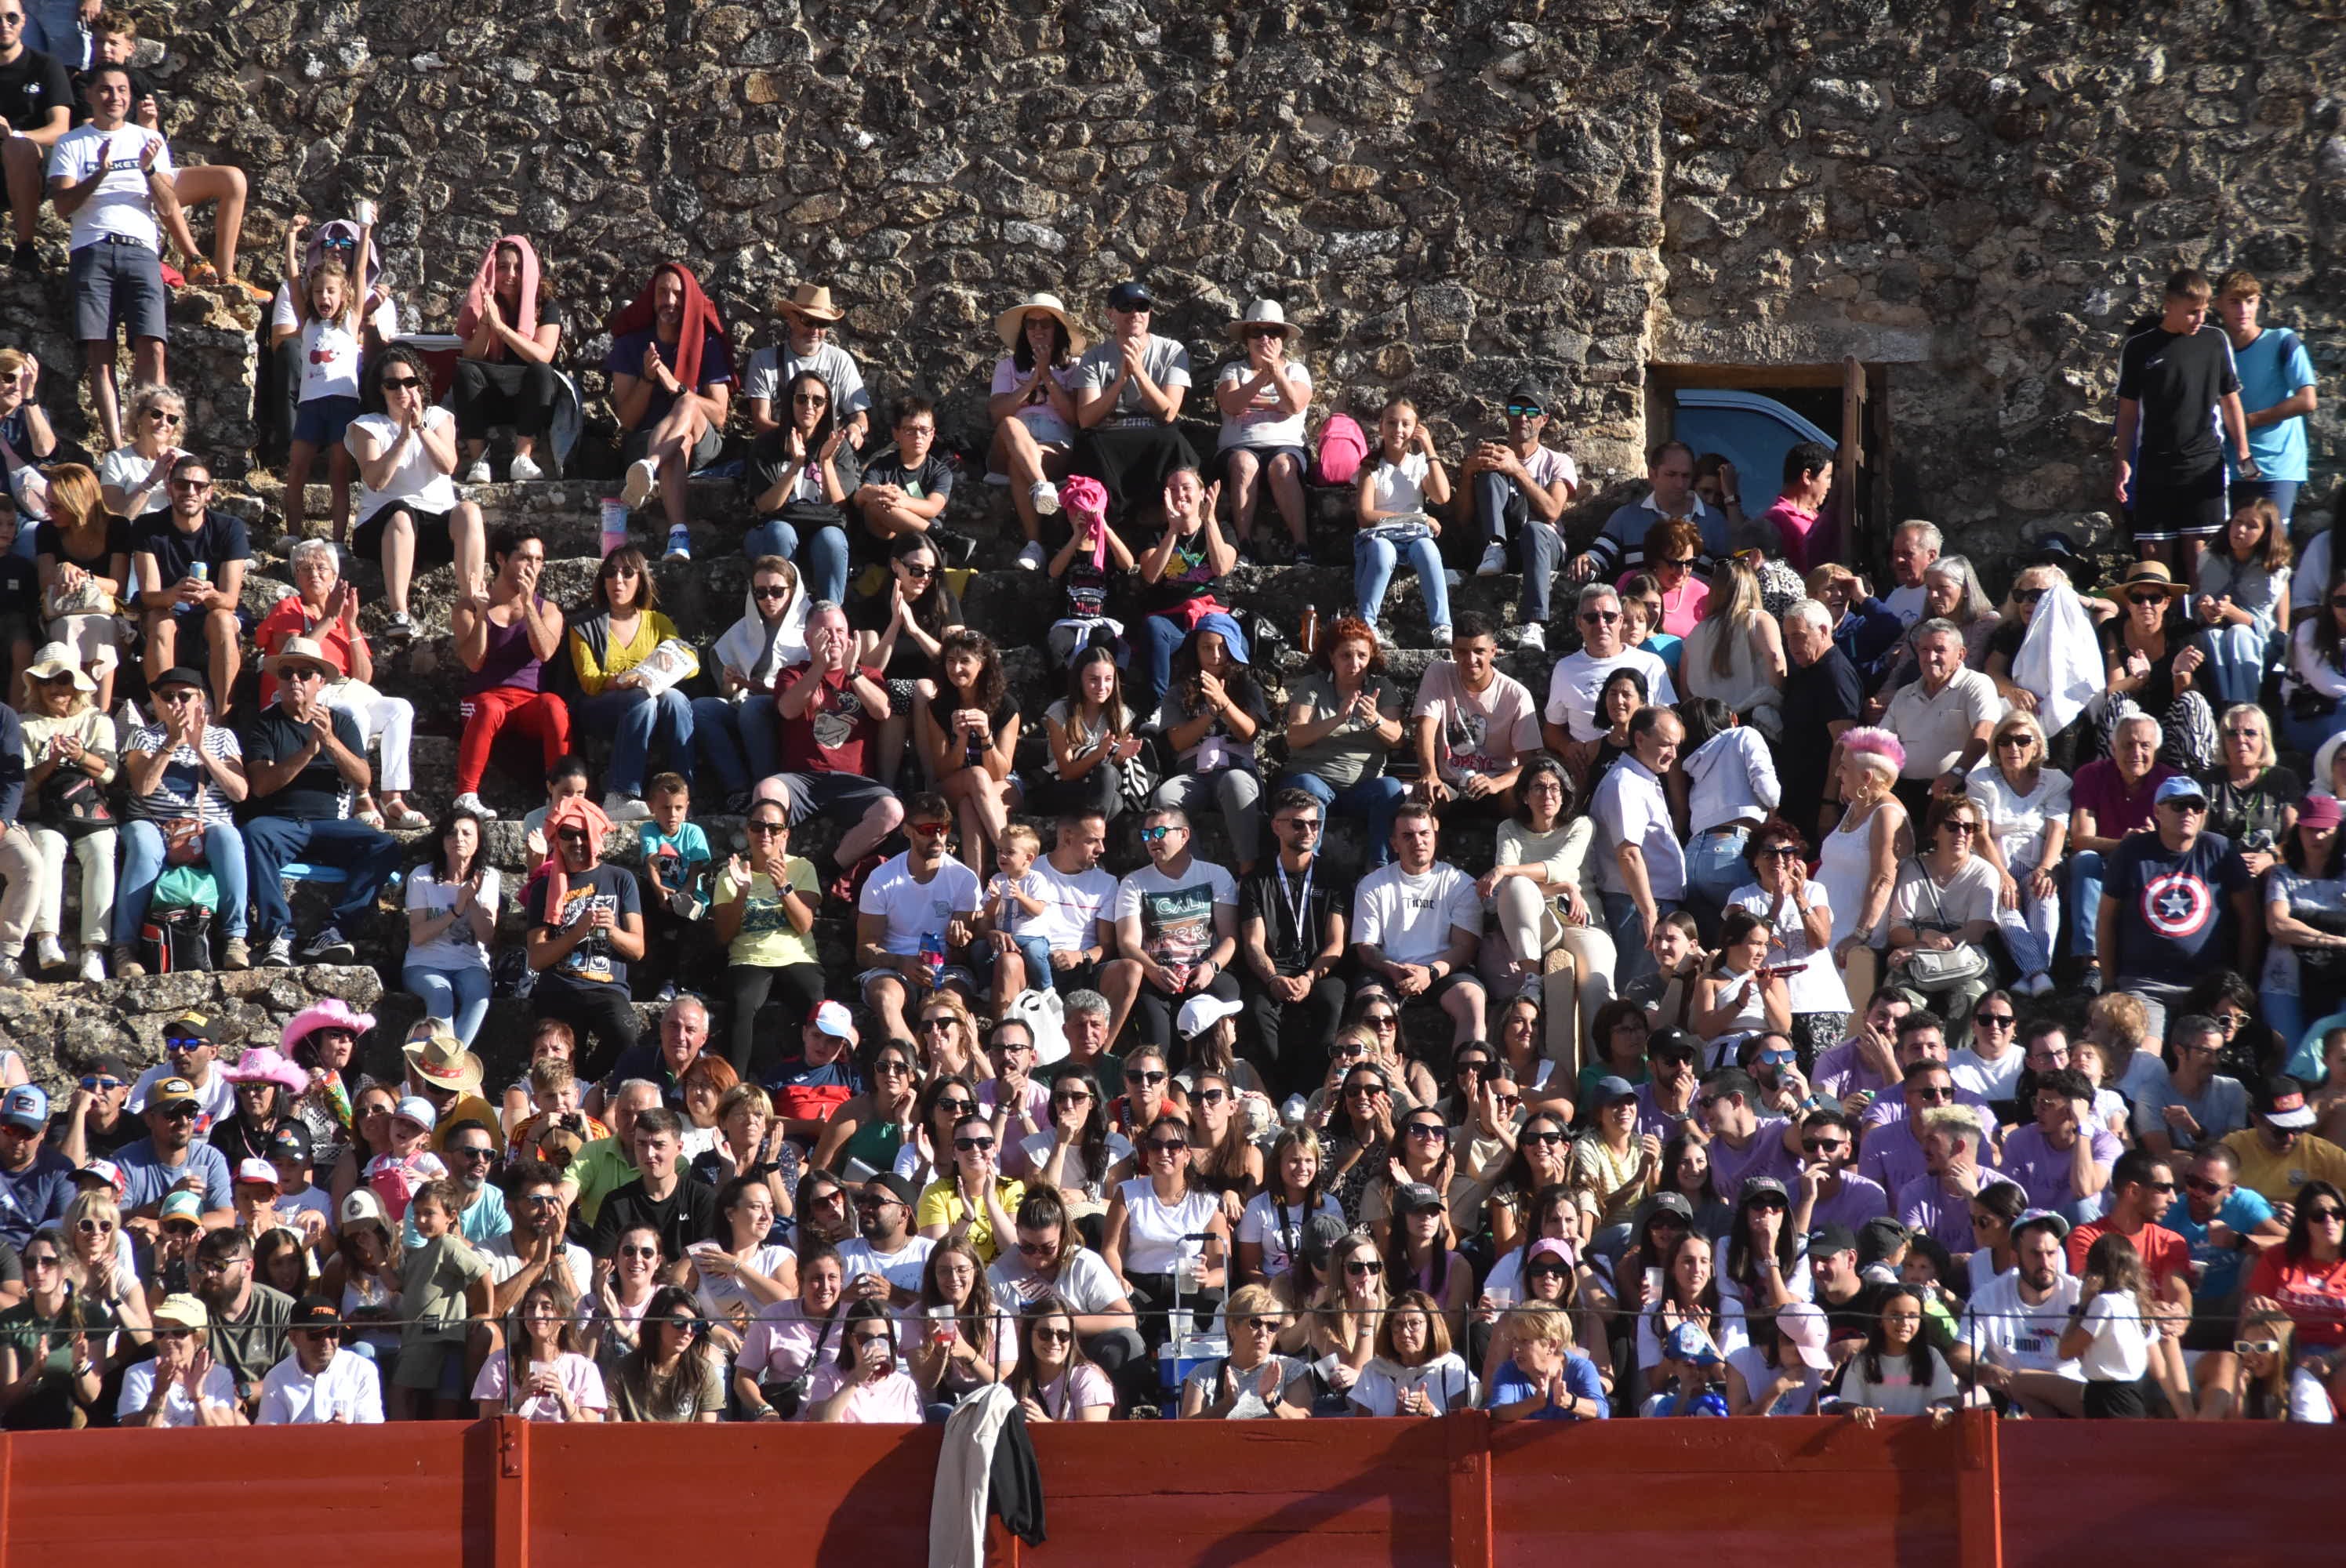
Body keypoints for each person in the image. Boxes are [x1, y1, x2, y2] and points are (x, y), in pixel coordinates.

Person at [238, 634, 401, 967]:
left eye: (304, 673)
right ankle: (277, 935)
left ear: (320, 682)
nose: (295, 680)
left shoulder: (339, 722)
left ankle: (334, 930)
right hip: (282, 824)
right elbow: (261, 786)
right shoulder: (264, 725)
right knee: (255, 832)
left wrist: (328, 741)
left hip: (331, 826)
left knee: (386, 846)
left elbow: (363, 779)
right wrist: (309, 751)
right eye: (287, 674)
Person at [45, 64, 176, 449]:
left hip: (140, 249)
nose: (115, 97)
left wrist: (149, 169)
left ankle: (148, 439)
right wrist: (99, 174)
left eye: (122, 89)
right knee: (100, 352)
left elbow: (169, 207)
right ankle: (118, 444)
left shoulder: (148, 139)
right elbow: (63, 206)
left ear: (130, 96)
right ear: (90, 95)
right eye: (105, 89)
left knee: (153, 346)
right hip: (92, 249)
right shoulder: (72, 143)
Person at [108, 665, 248, 975]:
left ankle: (235, 939)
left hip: (207, 824)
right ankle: (123, 948)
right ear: (156, 701)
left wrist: (201, 750)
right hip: (154, 822)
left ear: (201, 700)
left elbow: (239, 792)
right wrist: (171, 742)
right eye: (167, 696)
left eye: (185, 696)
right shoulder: (142, 736)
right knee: (143, 846)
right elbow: (143, 787)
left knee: (229, 839)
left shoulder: (223, 737)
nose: (176, 703)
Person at [2096, 775, 2256, 1040]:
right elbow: (2106, 919)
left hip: (2207, 986)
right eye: (2179, 805)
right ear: (2157, 811)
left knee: (2205, 1051)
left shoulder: (2220, 850)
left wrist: (2243, 980)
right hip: (2143, 984)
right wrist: (2110, 983)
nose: (2189, 813)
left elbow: (2249, 918)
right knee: (2146, 1058)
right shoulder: (2131, 852)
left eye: (2197, 807)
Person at [2115, 268, 2253, 572]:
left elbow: (2230, 400)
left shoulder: (2215, 341)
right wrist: (2123, 461)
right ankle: (2164, 618)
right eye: (2192, 312)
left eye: (2203, 311)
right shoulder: (2139, 347)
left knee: (2200, 554)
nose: (2200, 319)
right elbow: (2127, 413)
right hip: (2154, 463)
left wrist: (2243, 450)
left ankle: (2200, 618)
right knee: (2154, 555)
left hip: (2203, 461)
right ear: (2169, 305)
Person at [606, 261, 732, 563]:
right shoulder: (631, 345)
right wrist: (649, 379)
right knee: (679, 444)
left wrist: (678, 387)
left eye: (677, 294)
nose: (670, 301)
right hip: (648, 437)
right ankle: (679, 535)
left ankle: (648, 468)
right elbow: (627, 420)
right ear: (653, 297)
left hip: (704, 438)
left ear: (688, 300)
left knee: (687, 403)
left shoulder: (708, 344)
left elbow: (719, 415)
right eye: (663, 292)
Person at [772, 599, 905, 882]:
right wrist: (819, 666)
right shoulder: (792, 674)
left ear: (850, 636)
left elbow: (882, 711)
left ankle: (825, 872)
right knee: (768, 792)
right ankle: (772, 872)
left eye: (839, 631)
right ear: (808, 638)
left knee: (892, 810)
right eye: (825, 632)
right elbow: (788, 709)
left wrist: (853, 671)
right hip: (803, 779)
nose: (833, 638)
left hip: (853, 782)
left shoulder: (868, 675)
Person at [566, 545, 695, 822]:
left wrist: (672, 659)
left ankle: (683, 795)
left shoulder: (657, 622)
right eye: (610, 573)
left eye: (627, 572)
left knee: (675, 699)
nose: (618, 580)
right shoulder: (584, 625)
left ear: (641, 580)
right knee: (642, 699)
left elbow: (690, 659)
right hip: (600, 708)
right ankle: (620, 795)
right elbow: (589, 681)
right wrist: (623, 682)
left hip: (648, 705)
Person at [449, 524, 568, 821]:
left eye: (539, 560)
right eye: (525, 558)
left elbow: (545, 653)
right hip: (484, 700)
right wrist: (480, 615)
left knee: (554, 704)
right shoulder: (467, 607)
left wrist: (528, 605)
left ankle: (561, 795)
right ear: (501, 559)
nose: (533, 567)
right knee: (489, 706)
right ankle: (466, 796)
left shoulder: (548, 610)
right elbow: (474, 662)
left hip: (528, 703)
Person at [525, 794, 646, 1083]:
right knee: (556, 1050)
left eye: (584, 834)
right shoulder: (544, 888)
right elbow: (537, 957)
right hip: (559, 987)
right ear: (557, 839)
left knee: (627, 1032)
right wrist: (577, 932)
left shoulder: (621, 879)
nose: (578, 843)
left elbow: (638, 949)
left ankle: (585, 1084)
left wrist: (613, 931)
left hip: (607, 988)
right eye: (568, 835)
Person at [1235, 789, 1347, 1099]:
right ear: (1277, 827)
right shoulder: (1257, 880)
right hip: (1273, 969)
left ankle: (1312, 1094)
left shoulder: (1333, 876)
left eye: (1315, 824)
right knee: (1258, 1009)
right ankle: (1278, 1095)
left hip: (1316, 969)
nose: (1309, 831)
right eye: (1298, 824)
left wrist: (1310, 977)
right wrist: (1272, 978)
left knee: (1332, 1001)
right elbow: (1253, 943)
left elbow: (1336, 944)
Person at [1352, 801, 1487, 1049]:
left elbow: (1464, 947)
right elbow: (1365, 946)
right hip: (1389, 970)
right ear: (1394, 844)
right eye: (1408, 835)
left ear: (1435, 836)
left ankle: (1471, 1074)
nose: (1418, 841)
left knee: (1473, 1000)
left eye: (1424, 833)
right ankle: (1375, 1079)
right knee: (1370, 1007)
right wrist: (1391, 968)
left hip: (1445, 970)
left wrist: (1430, 972)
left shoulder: (1461, 884)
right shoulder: (1372, 885)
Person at [854, 790, 982, 1046]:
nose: (937, 837)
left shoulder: (964, 879)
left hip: (946, 968)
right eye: (927, 829)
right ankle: (907, 1065)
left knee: (948, 1006)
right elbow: (864, 951)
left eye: (943, 828)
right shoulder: (882, 879)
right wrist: (901, 962)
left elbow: (961, 956)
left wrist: (958, 943)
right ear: (908, 831)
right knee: (886, 998)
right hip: (893, 966)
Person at [1274, 616, 1406, 862]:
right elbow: (1295, 736)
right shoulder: (1312, 685)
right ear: (1331, 656)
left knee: (1390, 789)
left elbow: (1398, 739)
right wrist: (1338, 719)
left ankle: (1379, 868)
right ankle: (1308, 866)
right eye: (1346, 656)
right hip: (1315, 781)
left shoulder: (1382, 687)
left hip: (1362, 789)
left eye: (1362, 656)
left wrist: (1374, 719)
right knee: (1307, 786)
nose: (1355, 664)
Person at [1463, 381, 1578, 649]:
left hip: (1544, 546)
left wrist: (1516, 470)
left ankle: (1534, 625)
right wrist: (1469, 473)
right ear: (1506, 414)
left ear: (1544, 419)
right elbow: (1463, 520)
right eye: (1515, 409)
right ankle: (1495, 546)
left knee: (1535, 530)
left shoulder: (1558, 461)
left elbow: (1551, 510)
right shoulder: (1493, 455)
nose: (1523, 417)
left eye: (1531, 412)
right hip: (1507, 550)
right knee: (1491, 473)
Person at [1151, 618, 1266, 877]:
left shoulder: (1248, 686)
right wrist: (1209, 715)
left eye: (1222, 648)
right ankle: (1198, 872)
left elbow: (1249, 733)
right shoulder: (1178, 690)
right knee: (1164, 799)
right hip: (1193, 774)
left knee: (1235, 783)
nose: (1215, 656)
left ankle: (1248, 872)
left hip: (1236, 768)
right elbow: (1178, 741)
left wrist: (1224, 704)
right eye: (1207, 648)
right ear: (1195, 650)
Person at [1073, 279, 1194, 523]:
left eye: (1142, 306)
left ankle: (1169, 521)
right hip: (1111, 435)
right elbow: (1086, 418)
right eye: (1125, 307)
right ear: (1110, 314)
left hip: (1154, 432)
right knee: (1089, 445)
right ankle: (1107, 520)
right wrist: (1120, 381)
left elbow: (1169, 413)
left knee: (1175, 442)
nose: (1135, 314)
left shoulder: (1172, 351)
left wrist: (1138, 372)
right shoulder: (1094, 357)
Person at [131, 455, 245, 715]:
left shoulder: (230, 528)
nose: (190, 492)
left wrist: (210, 593)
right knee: (161, 620)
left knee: (223, 620)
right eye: (182, 485)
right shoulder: (147, 527)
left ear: (209, 493)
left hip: (210, 615)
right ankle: (165, 716)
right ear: (170, 488)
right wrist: (174, 594)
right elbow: (149, 597)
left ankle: (221, 718)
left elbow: (230, 600)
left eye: (199, 486)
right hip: (168, 612)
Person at [695, 557, 806, 813]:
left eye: (777, 592)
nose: (769, 599)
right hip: (746, 702)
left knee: (753, 708)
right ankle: (738, 790)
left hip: (786, 708)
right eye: (761, 592)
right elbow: (727, 693)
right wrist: (730, 685)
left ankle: (764, 790)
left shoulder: (807, 630)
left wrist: (763, 690)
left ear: (793, 591)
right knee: (701, 708)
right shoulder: (744, 628)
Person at [451, 234, 564, 482]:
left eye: (518, 267)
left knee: (541, 371)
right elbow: (471, 356)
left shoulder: (546, 305)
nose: (510, 274)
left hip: (530, 399)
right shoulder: (485, 301)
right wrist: (485, 321)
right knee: (465, 372)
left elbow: (543, 354)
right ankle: (479, 461)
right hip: (492, 398)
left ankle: (522, 458)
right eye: (502, 267)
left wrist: (501, 329)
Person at [986, 292, 1085, 568]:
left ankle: (1033, 546)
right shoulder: (1007, 367)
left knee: (1023, 464)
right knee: (1010, 424)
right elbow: (997, 414)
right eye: (1031, 324)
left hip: (1053, 445)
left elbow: (1075, 417)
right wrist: (1032, 381)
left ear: (1058, 330)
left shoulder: (1075, 368)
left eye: (1046, 324)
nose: (1038, 330)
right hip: (1010, 441)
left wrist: (1049, 376)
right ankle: (1042, 486)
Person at [1591, 704, 1686, 989]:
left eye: (1677, 745)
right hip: (1637, 908)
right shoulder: (1625, 784)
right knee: (1638, 995)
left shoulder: (1642, 779)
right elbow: (1628, 854)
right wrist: (1650, 915)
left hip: (1647, 906)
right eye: (1666, 744)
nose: (1673, 753)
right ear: (1640, 740)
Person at [1211, 299, 1313, 561]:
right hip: (1238, 447)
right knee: (1244, 464)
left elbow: (1293, 404)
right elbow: (1232, 404)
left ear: (1283, 339)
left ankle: (1302, 547)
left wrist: (1277, 374)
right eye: (1257, 332)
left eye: (1273, 332)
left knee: (1283, 466)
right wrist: (1262, 379)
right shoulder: (1233, 370)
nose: (1265, 339)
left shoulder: (1296, 371)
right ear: (1247, 338)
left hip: (1286, 445)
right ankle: (1244, 545)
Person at [2215, 268, 2318, 525]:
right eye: (2235, 302)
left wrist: (2250, 421)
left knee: (2273, 550)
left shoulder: (2282, 341)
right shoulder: (2214, 349)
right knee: (2235, 550)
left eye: (2250, 301)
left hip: (2278, 466)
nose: (2243, 310)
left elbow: (2307, 400)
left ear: (2259, 302)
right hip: (2231, 468)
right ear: (2218, 305)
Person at [744, 369, 856, 605]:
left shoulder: (838, 447)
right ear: (790, 402)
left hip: (820, 530)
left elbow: (840, 506)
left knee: (833, 538)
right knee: (780, 532)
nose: (809, 406)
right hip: (773, 532)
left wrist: (825, 461)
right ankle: (783, 616)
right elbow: (766, 505)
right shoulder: (767, 445)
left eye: (818, 401)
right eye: (801, 398)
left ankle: (830, 618)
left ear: (827, 407)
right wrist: (796, 464)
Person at [1128, 466, 1232, 719]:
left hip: (1210, 614)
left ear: (1201, 494)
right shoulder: (1156, 536)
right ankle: (1160, 707)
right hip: (1172, 618)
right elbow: (1151, 575)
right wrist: (1173, 530)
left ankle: (1224, 701)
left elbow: (1222, 566)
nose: (1180, 494)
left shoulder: (1222, 530)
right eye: (1172, 489)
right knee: (1153, 627)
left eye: (1186, 488)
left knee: (1227, 633)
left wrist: (1209, 520)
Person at [1541, 583, 1679, 771]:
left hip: (1640, 765)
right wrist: (1567, 748)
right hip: (1587, 767)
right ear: (1579, 623)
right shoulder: (1565, 669)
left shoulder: (1651, 664)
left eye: (1609, 617)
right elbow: (1552, 729)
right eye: (1591, 618)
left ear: (1620, 620)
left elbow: (1670, 726)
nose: (1601, 624)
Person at [1415, 613, 1539, 815]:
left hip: (1497, 784)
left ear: (1493, 651)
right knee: (1422, 801)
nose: (1471, 660)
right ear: (1453, 652)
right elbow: (1425, 729)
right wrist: (1429, 774)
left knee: (1522, 800)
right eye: (1462, 652)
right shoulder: (1438, 673)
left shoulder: (1516, 695)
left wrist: (1496, 783)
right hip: (1450, 783)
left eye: (1479, 651)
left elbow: (1528, 763)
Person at [919, 628, 1019, 879]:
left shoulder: (1006, 706)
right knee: (974, 777)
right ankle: (1012, 860)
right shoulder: (938, 707)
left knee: (969, 804)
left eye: (965, 661)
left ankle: (976, 888)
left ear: (982, 664)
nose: (956, 669)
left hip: (1000, 784)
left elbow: (1001, 771)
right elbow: (943, 770)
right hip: (955, 782)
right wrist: (961, 738)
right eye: (951, 661)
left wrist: (985, 735)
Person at [30, 460, 129, 713]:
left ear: (76, 504)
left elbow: (118, 586)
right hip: (63, 612)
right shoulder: (47, 531)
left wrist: (83, 575)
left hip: (105, 611)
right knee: (67, 626)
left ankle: (100, 715)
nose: (47, 511)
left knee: (100, 626)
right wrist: (62, 568)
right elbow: (44, 582)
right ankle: (69, 710)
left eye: (55, 506)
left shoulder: (117, 527)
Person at [1879, 619, 1999, 823]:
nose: (1930, 657)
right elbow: (1880, 742)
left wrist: (1956, 774)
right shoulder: (1904, 694)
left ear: (1960, 654)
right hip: (1907, 793)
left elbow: (1984, 732)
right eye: (1924, 649)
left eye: (1940, 649)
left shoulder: (1977, 684)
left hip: (1960, 794)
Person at [1354, 396, 1453, 644]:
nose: (1398, 430)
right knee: (1383, 552)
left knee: (1429, 549)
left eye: (1406, 424)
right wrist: (1415, 517)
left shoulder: (1418, 465)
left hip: (1414, 539)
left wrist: (1429, 448)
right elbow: (1365, 516)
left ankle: (1442, 626)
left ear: (1415, 429)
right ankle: (1367, 626)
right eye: (1392, 423)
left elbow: (1442, 497)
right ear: (1381, 427)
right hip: (1380, 536)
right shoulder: (1371, 466)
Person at [1569, 439, 1723, 583]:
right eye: (1671, 475)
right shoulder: (1627, 517)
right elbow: (1597, 559)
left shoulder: (1716, 522)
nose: (1679, 484)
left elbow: (1731, 578)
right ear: (1652, 475)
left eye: (1686, 476)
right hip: (1641, 608)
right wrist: (1586, 561)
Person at [1680, 558, 1787, 740]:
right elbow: (1775, 657)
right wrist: (1779, 696)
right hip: (1754, 724)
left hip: (1708, 728)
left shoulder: (1697, 631)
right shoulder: (1759, 620)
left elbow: (1685, 687)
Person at [475, 1276, 606, 1421]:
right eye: (530, 1307)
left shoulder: (584, 1368)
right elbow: (486, 1426)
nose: (536, 1314)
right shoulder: (500, 1361)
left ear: (563, 1318)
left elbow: (589, 1434)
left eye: (546, 1307)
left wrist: (563, 1399)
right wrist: (518, 1400)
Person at [0, 5, 71, 270]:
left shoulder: (45, 65)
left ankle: (25, 246)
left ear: (23, 22)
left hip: (33, 158)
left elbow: (60, 129)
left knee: (17, 149)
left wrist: (12, 135)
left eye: (11, 17)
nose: (4, 24)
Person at [116, 1294, 242, 1427]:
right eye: (160, 1331)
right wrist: (159, 1393)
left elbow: (222, 1439)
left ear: (198, 1338)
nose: (168, 1339)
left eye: (179, 1331)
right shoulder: (138, 1373)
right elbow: (136, 1438)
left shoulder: (220, 1376)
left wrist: (197, 1396)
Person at [1008, 1296, 1115, 1422]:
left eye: (1063, 1335)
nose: (1054, 1342)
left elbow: (1091, 1439)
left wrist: (1045, 1425)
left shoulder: (1088, 1378)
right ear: (1029, 1334)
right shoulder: (1014, 1382)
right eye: (1045, 1333)